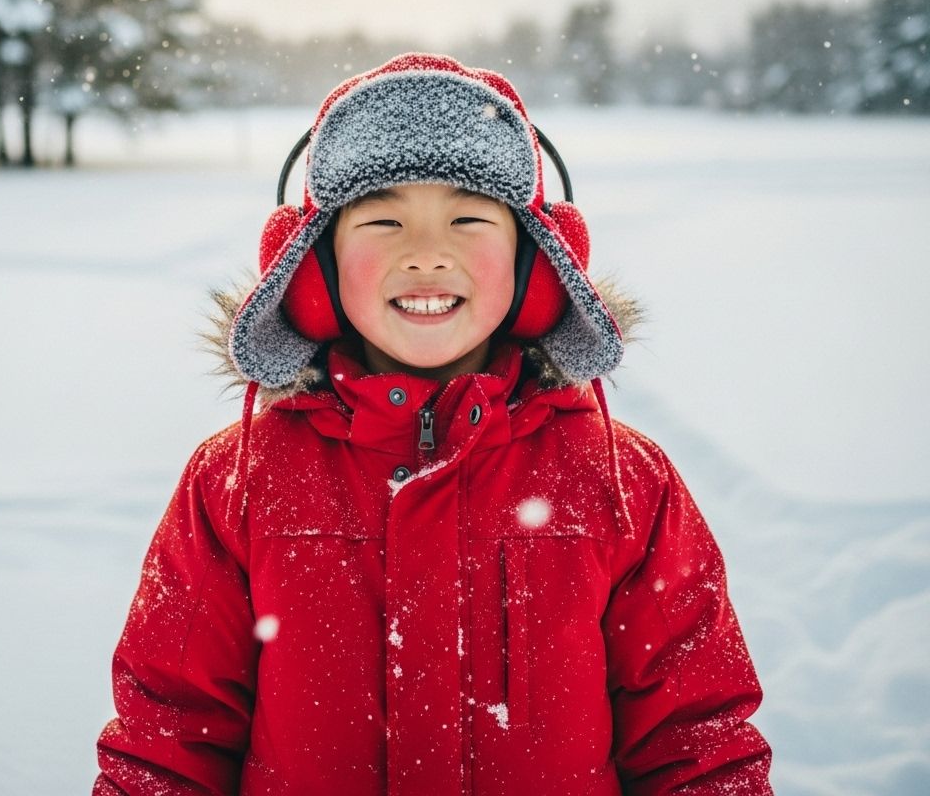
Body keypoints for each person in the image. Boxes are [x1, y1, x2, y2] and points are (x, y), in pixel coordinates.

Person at [94, 52, 772, 795]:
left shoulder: (620, 480)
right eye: (382, 218)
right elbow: (166, 740)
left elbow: (698, 744)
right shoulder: (236, 481)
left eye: (469, 217)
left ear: (538, 266)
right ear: (316, 267)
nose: (425, 253)